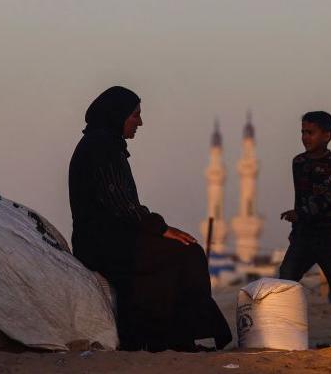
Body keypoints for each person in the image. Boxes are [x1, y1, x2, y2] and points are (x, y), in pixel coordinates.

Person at [68, 86, 232, 352]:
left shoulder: (104, 143)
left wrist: (154, 229)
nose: (140, 122)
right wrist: (159, 228)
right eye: (135, 116)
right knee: (187, 253)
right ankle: (179, 338)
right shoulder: (102, 146)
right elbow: (119, 202)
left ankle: (160, 338)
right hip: (103, 244)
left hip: (111, 239)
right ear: (117, 115)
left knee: (170, 259)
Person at [279, 111, 331, 343]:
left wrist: (299, 214)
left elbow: (327, 199)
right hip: (305, 235)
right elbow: (302, 196)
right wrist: (297, 228)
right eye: (303, 132)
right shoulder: (298, 162)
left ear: (327, 135)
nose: (305, 137)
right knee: (286, 278)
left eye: (310, 133)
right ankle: (284, 335)